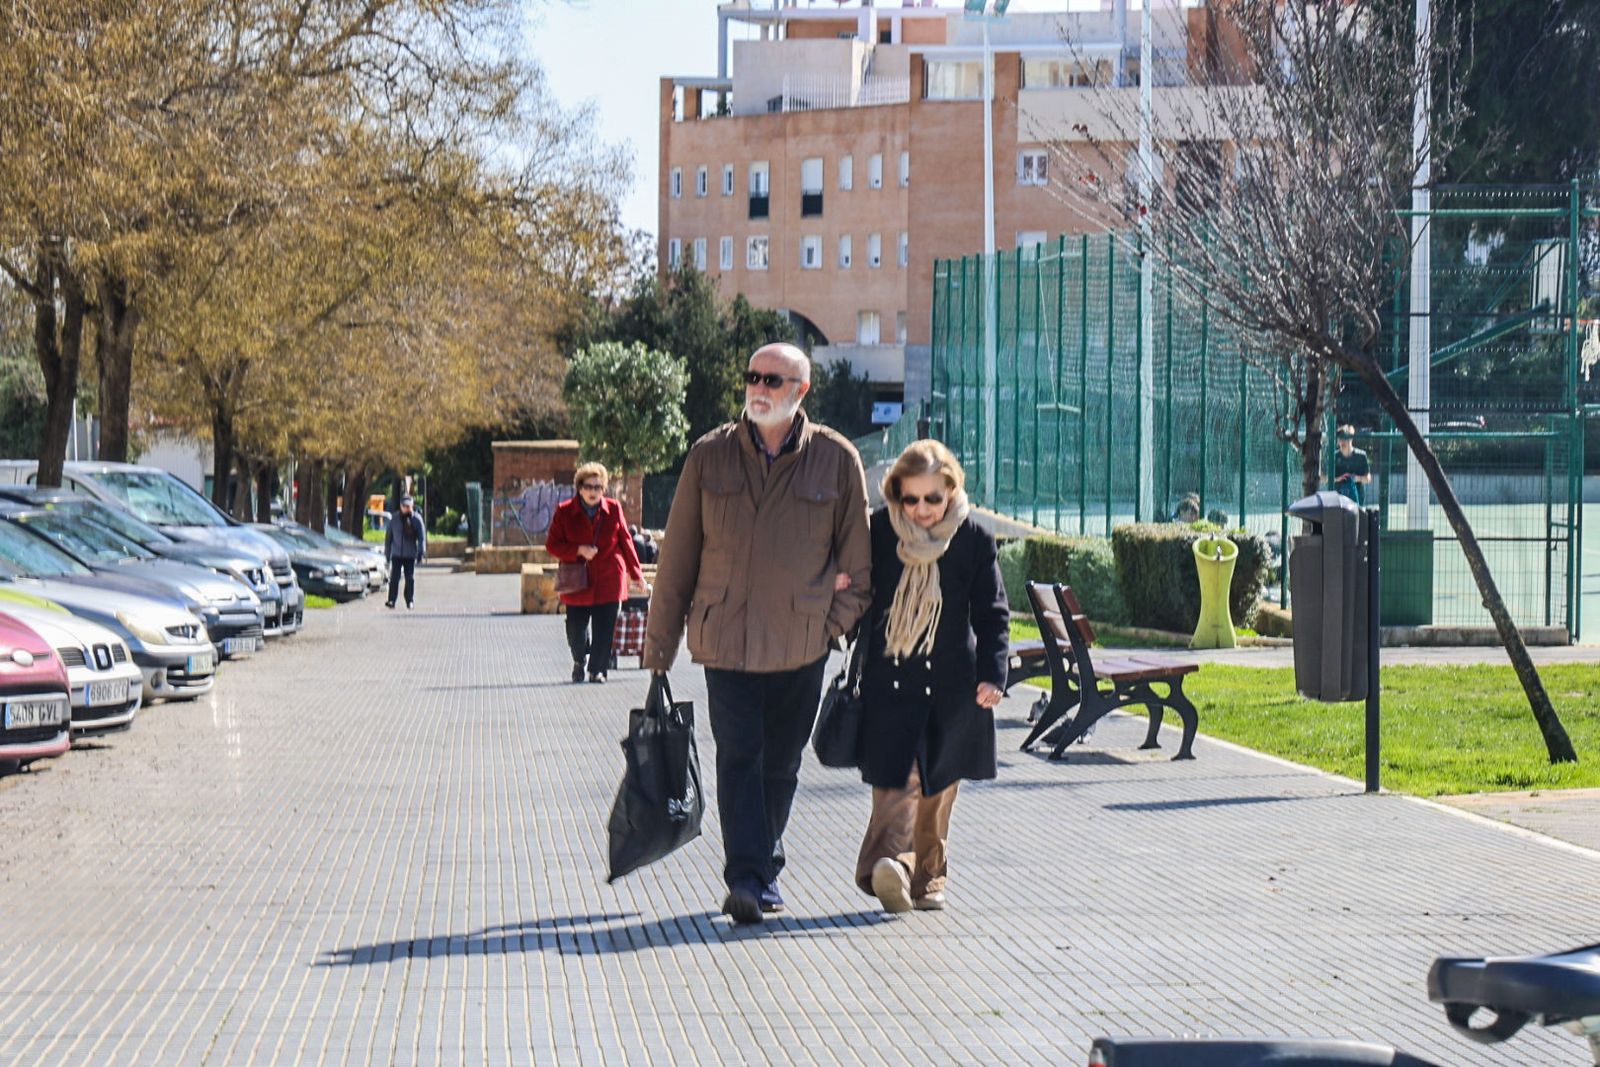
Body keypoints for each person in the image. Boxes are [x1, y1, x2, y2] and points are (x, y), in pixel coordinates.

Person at [644, 342, 872, 926]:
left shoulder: (837, 460)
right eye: (753, 376)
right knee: (740, 757)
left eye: (773, 379)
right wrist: (659, 647)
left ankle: (763, 866)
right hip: (727, 640)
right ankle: (746, 876)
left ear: (802, 391)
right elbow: (677, 559)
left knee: (782, 764)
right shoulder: (709, 455)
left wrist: (827, 627)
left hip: (802, 645)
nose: (759, 388)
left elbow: (857, 570)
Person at [853, 440, 1009, 915]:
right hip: (891, 681)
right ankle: (893, 867)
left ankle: (926, 878)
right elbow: (857, 590)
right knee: (898, 783)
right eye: (910, 499)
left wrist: (993, 674)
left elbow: (992, 613)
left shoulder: (973, 539)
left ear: (952, 490)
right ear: (895, 494)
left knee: (938, 789)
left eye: (933, 498)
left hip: (952, 686)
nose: (921, 509)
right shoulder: (878, 532)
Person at [545, 463, 647, 684]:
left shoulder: (614, 509)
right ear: (579, 488)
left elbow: (626, 543)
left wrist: (636, 574)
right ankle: (579, 660)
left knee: (605, 629)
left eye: (598, 487)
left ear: (604, 489)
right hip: (577, 581)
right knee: (576, 631)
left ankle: (597, 670)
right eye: (589, 486)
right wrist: (578, 550)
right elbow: (552, 545)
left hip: (609, 578)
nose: (593, 492)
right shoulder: (564, 512)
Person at [384, 495, 427, 609]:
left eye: (408, 506)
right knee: (394, 577)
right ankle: (391, 600)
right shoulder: (394, 519)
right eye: (404, 506)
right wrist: (387, 555)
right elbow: (388, 538)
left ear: (412, 506)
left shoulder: (416, 519)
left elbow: (422, 537)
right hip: (397, 554)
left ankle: (409, 600)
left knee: (410, 578)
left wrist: (421, 552)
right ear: (400, 506)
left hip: (410, 554)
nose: (406, 508)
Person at [1333, 424, 1371, 506]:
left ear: (1351, 438)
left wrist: (1356, 478)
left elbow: (1368, 479)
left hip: (1357, 498)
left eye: (1344, 438)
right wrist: (1337, 479)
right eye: (1340, 439)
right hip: (1338, 499)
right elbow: (1323, 477)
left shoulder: (1361, 456)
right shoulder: (1334, 457)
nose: (1342, 441)